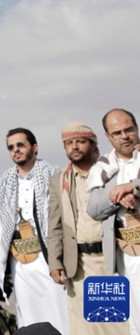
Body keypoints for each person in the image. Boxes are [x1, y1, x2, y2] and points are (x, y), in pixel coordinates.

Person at [47, 122, 126, 334]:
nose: (74, 147)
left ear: (93, 144)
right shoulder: (59, 181)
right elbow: (54, 226)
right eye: (69, 143)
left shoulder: (110, 172)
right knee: (84, 328)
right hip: (78, 265)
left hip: (108, 260)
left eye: (80, 141)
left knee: (114, 324)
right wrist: (55, 262)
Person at [0, 127, 67, 333]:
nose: (15, 150)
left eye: (20, 145)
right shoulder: (4, 183)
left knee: (59, 311)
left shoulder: (54, 175)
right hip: (20, 262)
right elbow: (2, 229)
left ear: (35, 147)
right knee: (29, 316)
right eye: (11, 147)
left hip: (49, 256)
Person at [87, 108, 140, 334]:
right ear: (108, 137)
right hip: (129, 253)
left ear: (137, 128)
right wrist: (117, 195)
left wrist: (133, 186)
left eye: (129, 130)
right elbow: (94, 208)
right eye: (117, 133)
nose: (124, 136)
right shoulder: (102, 167)